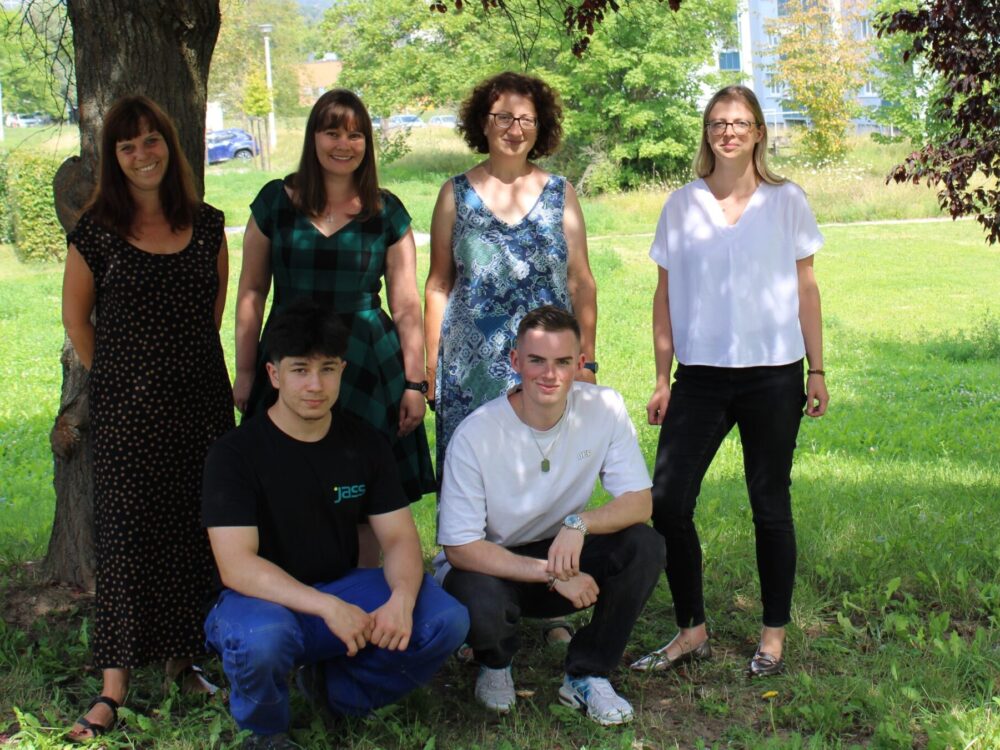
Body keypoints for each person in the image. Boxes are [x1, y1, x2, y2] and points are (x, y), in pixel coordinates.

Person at [203, 299, 469, 750]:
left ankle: (338, 691)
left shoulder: (364, 443)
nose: (315, 384)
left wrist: (402, 599)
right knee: (263, 640)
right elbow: (237, 567)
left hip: (343, 589)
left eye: (327, 369)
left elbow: (401, 538)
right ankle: (265, 731)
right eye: (300, 370)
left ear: (343, 370)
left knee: (446, 619)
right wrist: (325, 608)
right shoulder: (235, 454)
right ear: (273, 375)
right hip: (258, 602)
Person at [632, 85, 829, 678]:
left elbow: (807, 287)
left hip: (774, 373)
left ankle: (772, 635)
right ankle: (691, 628)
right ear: (707, 133)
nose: (729, 132)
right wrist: (662, 377)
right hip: (700, 378)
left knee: (769, 504)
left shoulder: (787, 199)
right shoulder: (681, 203)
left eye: (740, 123)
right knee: (667, 501)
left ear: (759, 131)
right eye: (718, 123)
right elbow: (664, 296)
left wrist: (816, 368)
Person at [61, 96, 234, 741]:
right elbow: (77, 318)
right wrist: (113, 378)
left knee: (197, 530)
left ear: (170, 145)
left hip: (200, 406)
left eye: (150, 141)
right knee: (129, 536)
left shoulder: (210, 226)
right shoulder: (97, 232)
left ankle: (184, 661)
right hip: (128, 414)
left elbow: (210, 313)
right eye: (127, 146)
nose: (141, 155)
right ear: (114, 159)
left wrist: (175, 369)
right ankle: (112, 689)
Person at [436, 306, 664, 726]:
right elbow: (461, 547)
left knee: (644, 545)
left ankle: (588, 672)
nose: (550, 374)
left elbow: (639, 502)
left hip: (561, 550)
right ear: (515, 362)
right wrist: (553, 573)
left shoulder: (604, 408)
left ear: (579, 364)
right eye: (536, 360)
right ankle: (495, 660)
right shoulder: (476, 434)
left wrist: (579, 525)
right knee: (478, 594)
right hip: (492, 564)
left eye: (563, 362)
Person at [234, 89, 434, 518]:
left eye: (355, 135)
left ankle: (363, 581)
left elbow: (406, 306)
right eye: (332, 133)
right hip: (290, 353)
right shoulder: (274, 203)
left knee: (365, 494)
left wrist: (414, 385)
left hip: (366, 361)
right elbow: (252, 290)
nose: (344, 145)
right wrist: (247, 371)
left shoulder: (387, 211)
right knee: (282, 480)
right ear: (313, 138)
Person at [424, 71, 598, 485]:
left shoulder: (560, 193)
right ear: (482, 122)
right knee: (474, 477)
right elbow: (438, 285)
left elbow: (581, 282)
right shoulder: (455, 195)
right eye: (503, 117)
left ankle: (543, 552)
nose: (514, 129)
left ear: (541, 128)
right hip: (471, 368)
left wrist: (586, 360)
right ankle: (466, 551)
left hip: (546, 365)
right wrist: (431, 365)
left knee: (544, 476)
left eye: (526, 120)